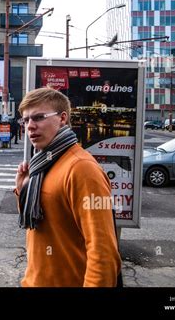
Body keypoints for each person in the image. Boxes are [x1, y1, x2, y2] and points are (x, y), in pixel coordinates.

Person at [14, 88, 121, 287]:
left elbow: (103, 250)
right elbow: (42, 223)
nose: (30, 126)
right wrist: (23, 190)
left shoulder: (82, 168)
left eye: (38, 117)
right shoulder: (44, 162)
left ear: (62, 118)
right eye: (26, 120)